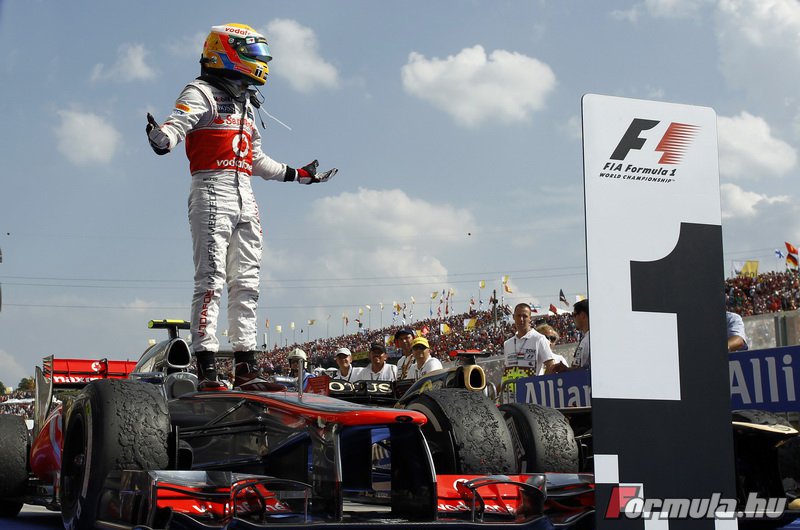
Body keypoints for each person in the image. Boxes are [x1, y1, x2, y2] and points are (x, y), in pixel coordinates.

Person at [145, 23, 337, 390]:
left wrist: (299, 175)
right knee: (211, 280)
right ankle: (207, 371)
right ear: (227, 52)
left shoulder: (245, 103)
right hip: (211, 189)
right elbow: (176, 125)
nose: (260, 63)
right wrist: (162, 138)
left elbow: (256, 159)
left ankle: (246, 369)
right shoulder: (200, 91)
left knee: (247, 283)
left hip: (245, 194)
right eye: (253, 54)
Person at [502, 303, 555, 385]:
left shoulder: (539, 339)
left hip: (532, 391)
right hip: (512, 391)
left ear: (530, 318)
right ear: (513, 317)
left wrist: (540, 385)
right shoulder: (507, 343)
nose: (521, 319)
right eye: (518, 316)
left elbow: (551, 365)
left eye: (525, 316)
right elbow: (507, 370)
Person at [571, 299, 591, 369]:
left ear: (582, 315)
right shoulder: (588, 338)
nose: (573, 318)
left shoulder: (587, 341)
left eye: (574, 315)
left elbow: (580, 370)